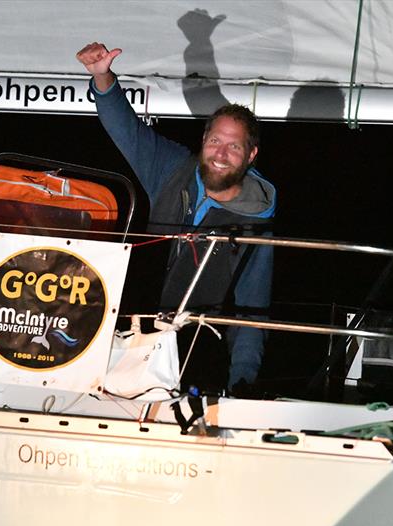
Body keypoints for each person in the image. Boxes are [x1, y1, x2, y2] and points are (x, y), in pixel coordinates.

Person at [76, 42, 275, 397]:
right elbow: (128, 132)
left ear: (251, 156)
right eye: (215, 141)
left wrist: (243, 380)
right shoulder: (171, 169)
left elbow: (251, 312)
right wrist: (102, 77)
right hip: (126, 333)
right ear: (204, 140)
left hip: (192, 351)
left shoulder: (257, 221)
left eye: (234, 147)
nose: (221, 154)